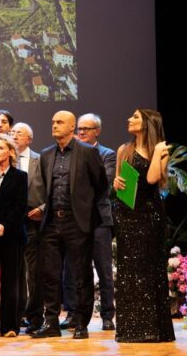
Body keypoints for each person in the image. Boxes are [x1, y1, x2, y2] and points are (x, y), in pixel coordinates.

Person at [31, 111, 108, 340]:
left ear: (72, 126)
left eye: (60, 122)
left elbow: (101, 186)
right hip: (52, 221)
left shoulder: (87, 152)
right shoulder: (46, 154)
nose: (54, 125)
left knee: (80, 274)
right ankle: (51, 322)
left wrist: (86, 213)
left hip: (77, 222)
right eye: (53, 122)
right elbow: (45, 187)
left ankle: (81, 323)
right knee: (50, 275)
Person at [112, 109, 175, 343]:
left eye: (136, 117)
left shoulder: (161, 150)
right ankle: (130, 328)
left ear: (148, 123)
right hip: (126, 214)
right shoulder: (123, 149)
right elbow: (119, 182)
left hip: (149, 215)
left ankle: (152, 329)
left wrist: (157, 152)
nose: (129, 119)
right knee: (129, 271)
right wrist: (116, 182)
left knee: (149, 268)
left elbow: (151, 179)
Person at [61, 113, 117, 331]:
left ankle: (107, 315)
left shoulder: (107, 154)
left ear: (97, 132)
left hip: (99, 219)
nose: (82, 132)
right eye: (80, 129)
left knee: (103, 269)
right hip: (75, 220)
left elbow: (104, 182)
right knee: (72, 269)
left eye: (86, 128)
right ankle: (73, 313)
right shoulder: (69, 154)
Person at [0, 134, 28, 337]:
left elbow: (20, 208)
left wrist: (3, 227)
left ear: (10, 151)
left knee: (11, 281)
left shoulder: (20, 176)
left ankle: (10, 325)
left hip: (12, 235)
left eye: (1, 148)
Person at [11, 122, 43, 333]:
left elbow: (51, 189)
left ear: (29, 139)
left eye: (19, 133)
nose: (14, 135)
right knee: (15, 272)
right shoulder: (4, 161)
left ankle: (34, 317)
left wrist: (43, 208)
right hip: (12, 223)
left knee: (34, 272)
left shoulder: (41, 160)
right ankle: (16, 315)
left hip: (33, 221)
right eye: (12, 132)